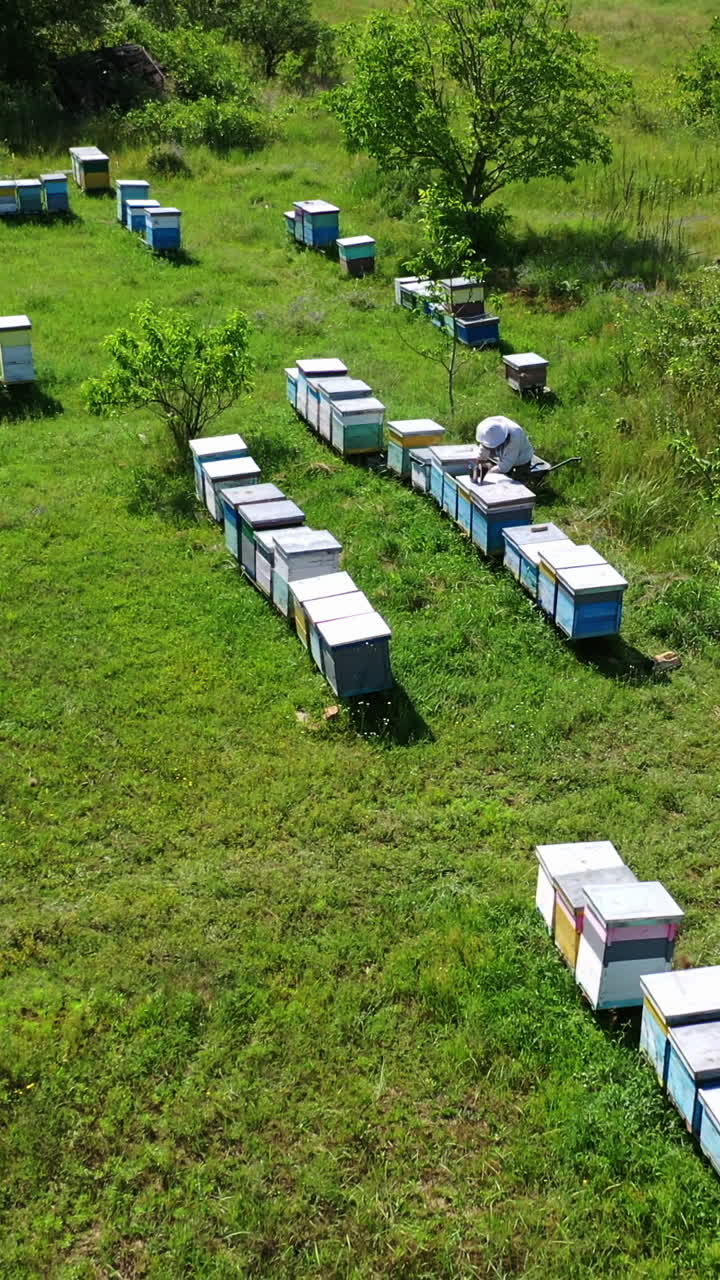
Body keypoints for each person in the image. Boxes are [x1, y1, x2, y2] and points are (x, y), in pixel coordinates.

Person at [473, 415, 534, 482]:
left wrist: (488, 474)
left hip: (521, 459)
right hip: (503, 455)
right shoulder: (490, 425)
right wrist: (480, 460)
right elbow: (484, 445)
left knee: (516, 481)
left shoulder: (515, 436)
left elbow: (504, 466)